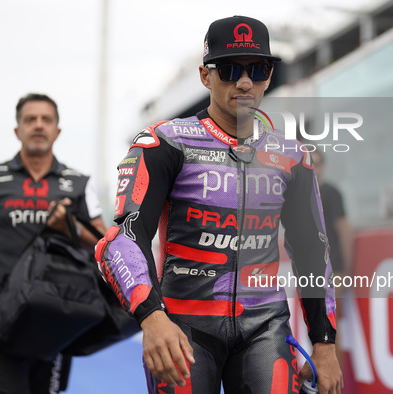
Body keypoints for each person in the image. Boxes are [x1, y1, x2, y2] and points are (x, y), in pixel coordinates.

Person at [95, 16, 342, 393]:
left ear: (270, 75)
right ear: (205, 76)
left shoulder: (293, 156)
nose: (245, 82)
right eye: (229, 69)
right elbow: (122, 238)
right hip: (183, 326)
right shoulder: (165, 142)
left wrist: (324, 345)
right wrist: (152, 318)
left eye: (258, 69)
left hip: (265, 327)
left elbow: (313, 251)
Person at [0, 93, 106, 394]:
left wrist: (70, 226)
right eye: (30, 119)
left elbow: (104, 244)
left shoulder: (79, 183)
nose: (38, 125)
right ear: (17, 130)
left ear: (57, 130)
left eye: (46, 119)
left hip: (56, 311)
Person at [310, 149, 352, 372]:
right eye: (310, 164)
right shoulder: (302, 196)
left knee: (331, 331)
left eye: (317, 164)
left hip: (333, 273)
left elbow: (344, 231)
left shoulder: (330, 192)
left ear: (323, 166)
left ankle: (335, 383)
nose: (314, 169)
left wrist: (345, 271)